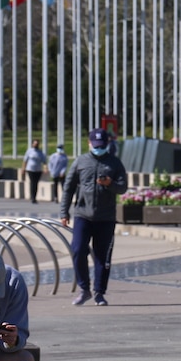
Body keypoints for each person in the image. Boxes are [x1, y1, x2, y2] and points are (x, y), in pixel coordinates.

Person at [60, 128, 128, 306]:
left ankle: (99, 292)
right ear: (89, 143)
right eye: (96, 145)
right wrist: (64, 212)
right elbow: (68, 188)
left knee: (102, 256)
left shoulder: (114, 163)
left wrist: (110, 184)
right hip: (83, 214)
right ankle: (84, 288)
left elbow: (123, 188)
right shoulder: (80, 162)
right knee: (77, 249)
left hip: (105, 217)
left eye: (102, 145)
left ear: (107, 145)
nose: (99, 148)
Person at [21, 139, 47, 204]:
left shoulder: (40, 152)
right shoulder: (29, 151)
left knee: (36, 183)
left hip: (38, 170)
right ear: (32, 144)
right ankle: (33, 197)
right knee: (33, 183)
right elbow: (25, 160)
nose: (36, 145)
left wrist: (45, 168)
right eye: (35, 144)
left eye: (37, 144)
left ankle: (34, 196)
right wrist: (23, 169)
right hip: (30, 169)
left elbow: (44, 161)